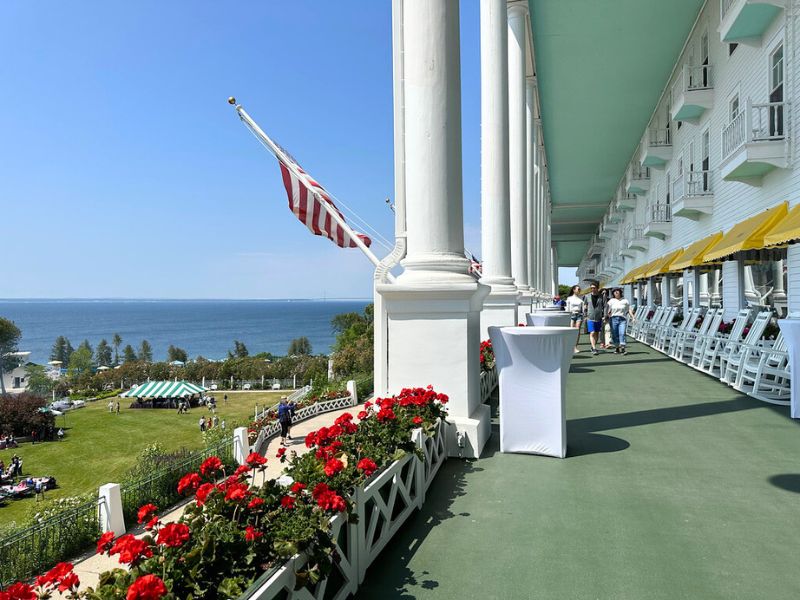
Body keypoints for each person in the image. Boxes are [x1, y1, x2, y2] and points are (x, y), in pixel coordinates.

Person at [607, 287, 636, 354]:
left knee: (622, 333)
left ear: (620, 292)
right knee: (615, 334)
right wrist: (607, 315)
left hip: (622, 319)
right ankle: (617, 347)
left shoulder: (625, 300)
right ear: (613, 293)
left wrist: (633, 317)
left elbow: (629, 309)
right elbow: (608, 309)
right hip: (613, 318)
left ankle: (623, 347)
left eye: (617, 291)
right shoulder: (611, 301)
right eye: (614, 291)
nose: (616, 292)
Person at [583, 282, 606, 355]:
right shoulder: (587, 296)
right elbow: (585, 305)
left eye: (594, 288)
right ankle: (594, 348)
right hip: (590, 317)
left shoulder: (602, 296)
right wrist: (585, 315)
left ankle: (593, 347)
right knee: (592, 332)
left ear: (597, 288)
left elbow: (605, 306)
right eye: (591, 288)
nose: (592, 289)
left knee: (596, 333)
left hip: (599, 317)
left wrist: (605, 315)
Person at [565, 284, 584, 353]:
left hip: (579, 314)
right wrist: (567, 315)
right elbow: (567, 308)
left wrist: (583, 315)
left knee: (577, 330)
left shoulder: (580, 299)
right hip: (571, 315)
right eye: (578, 289)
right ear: (574, 290)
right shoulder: (569, 298)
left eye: (579, 289)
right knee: (571, 330)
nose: (579, 290)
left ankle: (575, 347)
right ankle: (570, 346)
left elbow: (582, 309)